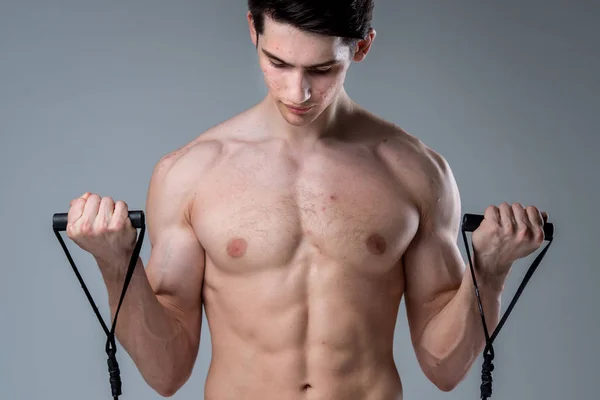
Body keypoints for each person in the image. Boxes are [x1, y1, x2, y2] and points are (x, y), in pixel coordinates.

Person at [66, 1, 548, 399]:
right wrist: (116, 264)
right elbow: (166, 371)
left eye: (321, 69)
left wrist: (489, 272)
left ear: (361, 48)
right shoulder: (191, 173)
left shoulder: (416, 172)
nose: (298, 91)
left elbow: (444, 368)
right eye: (278, 63)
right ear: (252, 29)